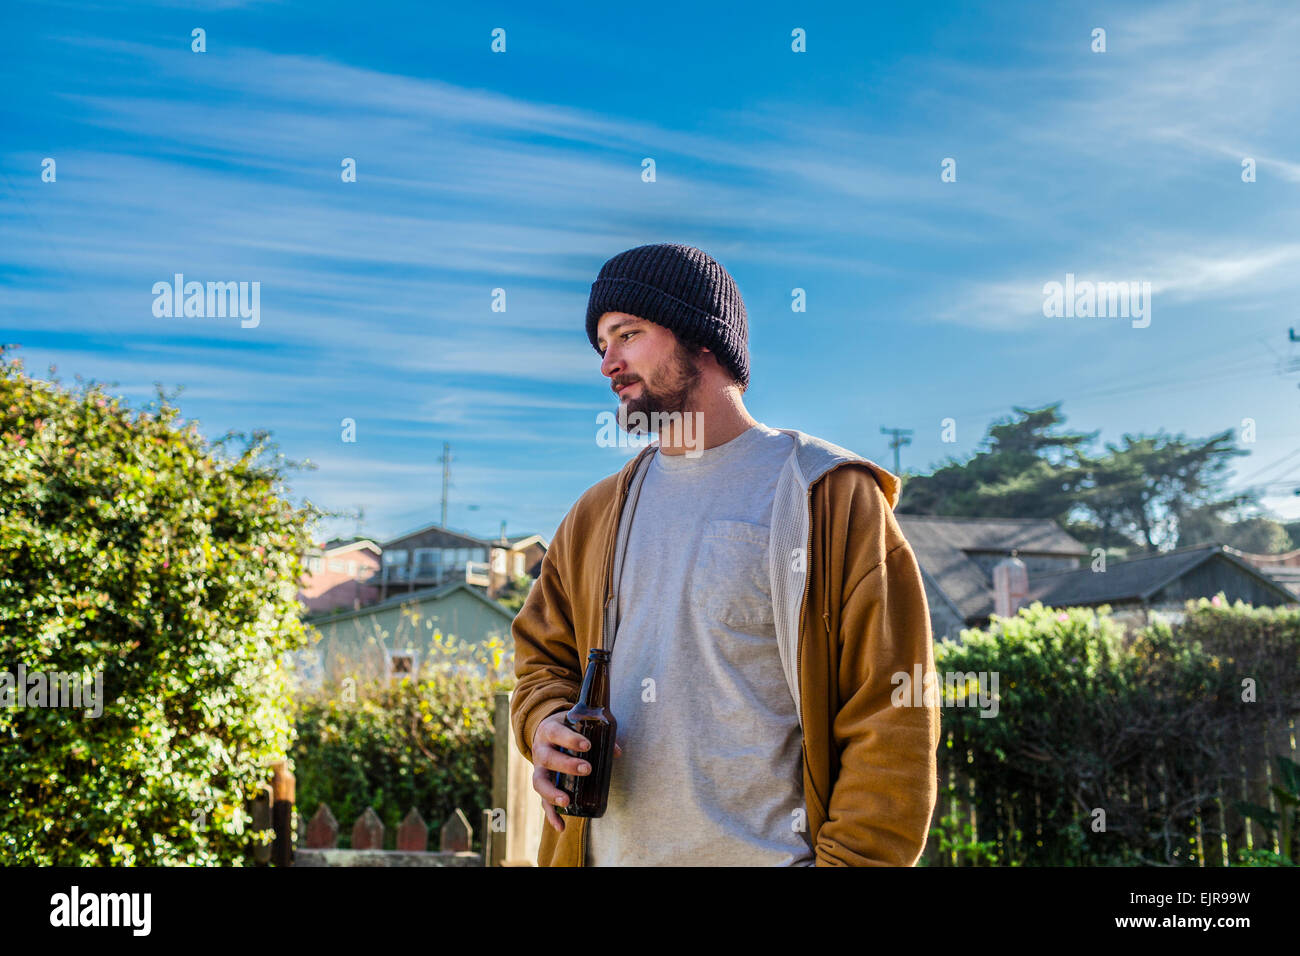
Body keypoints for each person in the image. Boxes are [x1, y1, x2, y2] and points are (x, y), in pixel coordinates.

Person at [510, 242, 939, 866]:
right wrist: (544, 721)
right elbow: (541, 659)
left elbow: (893, 711)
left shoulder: (830, 496)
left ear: (701, 337)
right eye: (601, 346)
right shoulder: (595, 515)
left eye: (628, 334)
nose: (609, 363)